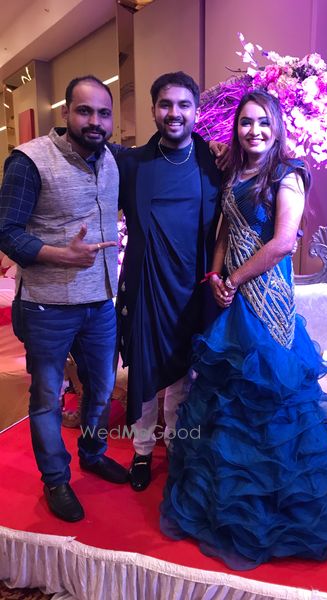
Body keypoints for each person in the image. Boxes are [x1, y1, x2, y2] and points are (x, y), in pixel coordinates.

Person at [160, 90, 327, 569]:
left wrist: (233, 279)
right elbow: (226, 232)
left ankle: (277, 514)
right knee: (227, 403)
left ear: (277, 127)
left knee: (269, 402)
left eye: (264, 123)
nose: (255, 131)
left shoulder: (287, 174)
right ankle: (226, 505)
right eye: (246, 122)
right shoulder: (234, 172)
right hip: (230, 304)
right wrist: (214, 275)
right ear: (237, 128)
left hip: (266, 304)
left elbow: (283, 242)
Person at [0, 75, 128, 523]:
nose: (95, 121)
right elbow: (6, 232)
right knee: (47, 397)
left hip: (100, 302)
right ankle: (55, 478)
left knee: (102, 388)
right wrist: (60, 255)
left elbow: (159, 155)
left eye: (104, 113)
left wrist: (215, 149)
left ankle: (93, 453)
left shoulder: (112, 157)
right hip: (46, 305)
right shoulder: (30, 160)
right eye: (84, 111)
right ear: (66, 113)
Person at [116, 72, 222, 491]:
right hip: (146, 286)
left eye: (183, 105)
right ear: (153, 109)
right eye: (165, 104)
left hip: (193, 288)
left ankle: (177, 447)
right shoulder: (132, 165)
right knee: (143, 374)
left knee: (183, 378)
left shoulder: (213, 161)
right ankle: (142, 452)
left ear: (196, 111)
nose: (174, 113)